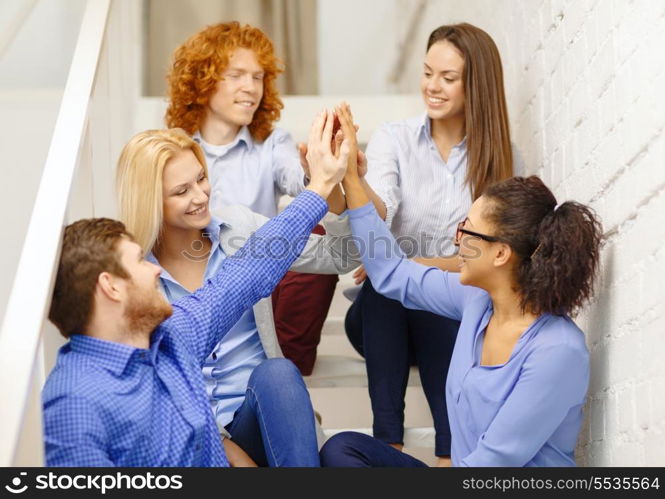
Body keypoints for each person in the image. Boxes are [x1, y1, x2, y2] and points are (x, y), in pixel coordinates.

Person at [42, 110, 349, 467]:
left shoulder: (173, 339)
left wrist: (322, 186)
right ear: (110, 286)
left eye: (200, 180)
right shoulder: (73, 401)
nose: (154, 273)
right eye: (139, 264)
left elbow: (248, 273)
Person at [322, 109, 602, 466]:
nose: (457, 243)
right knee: (344, 449)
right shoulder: (475, 301)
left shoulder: (557, 350)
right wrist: (351, 179)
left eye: (466, 232)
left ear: (501, 253)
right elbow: (390, 272)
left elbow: (492, 463)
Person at [343, 23, 519, 464]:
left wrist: (413, 263)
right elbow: (379, 214)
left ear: (474, 85)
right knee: (390, 289)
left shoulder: (498, 156)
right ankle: (389, 444)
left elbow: (484, 258)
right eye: (426, 73)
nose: (432, 87)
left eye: (448, 77)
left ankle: (449, 455)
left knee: (443, 294)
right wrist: (355, 177)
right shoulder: (395, 138)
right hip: (380, 319)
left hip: (450, 319)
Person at [165, 21, 341, 375]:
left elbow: (303, 184)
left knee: (315, 236)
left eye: (258, 77)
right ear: (203, 80)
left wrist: (319, 171)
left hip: (260, 289)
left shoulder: (272, 142)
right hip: (195, 286)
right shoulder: (172, 145)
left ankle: (282, 378)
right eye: (236, 75)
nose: (251, 88)